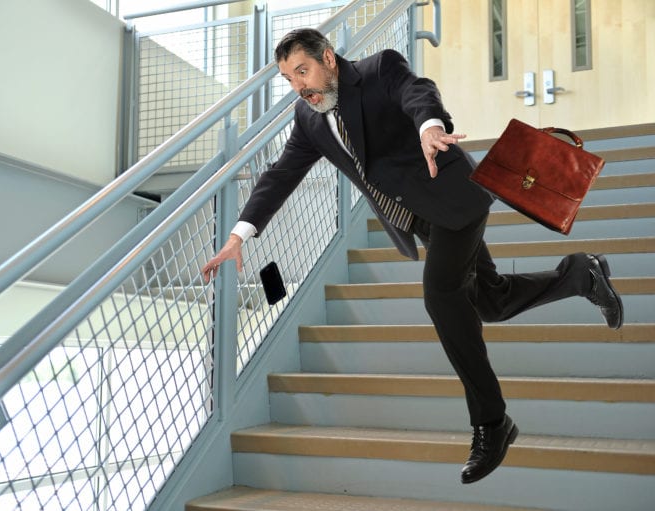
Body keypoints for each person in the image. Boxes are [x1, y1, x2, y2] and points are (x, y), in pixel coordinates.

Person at [201, 28, 623, 484]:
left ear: (327, 57)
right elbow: (281, 174)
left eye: (302, 71)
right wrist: (241, 234)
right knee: (490, 301)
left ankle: (492, 423)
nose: (298, 86)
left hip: (453, 197)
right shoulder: (309, 120)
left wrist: (430, 126)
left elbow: (417, 93)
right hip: (420, 219)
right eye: (288, 79)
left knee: (442, 297)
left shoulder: (378, 69)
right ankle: (581, 274)